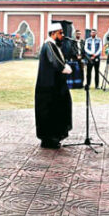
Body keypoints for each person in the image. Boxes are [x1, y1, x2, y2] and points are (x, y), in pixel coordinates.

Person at [35, 22, 73, 150]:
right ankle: (49, 140)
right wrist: (64, 68)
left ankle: (53, 138)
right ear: (53, 33)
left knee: (55, 111)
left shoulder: (53, 45)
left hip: (53, 86)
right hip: (49, 87)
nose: (62, 36)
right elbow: (55, 62)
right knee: (49, 113)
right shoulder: (49, 45)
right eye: (60, 33)